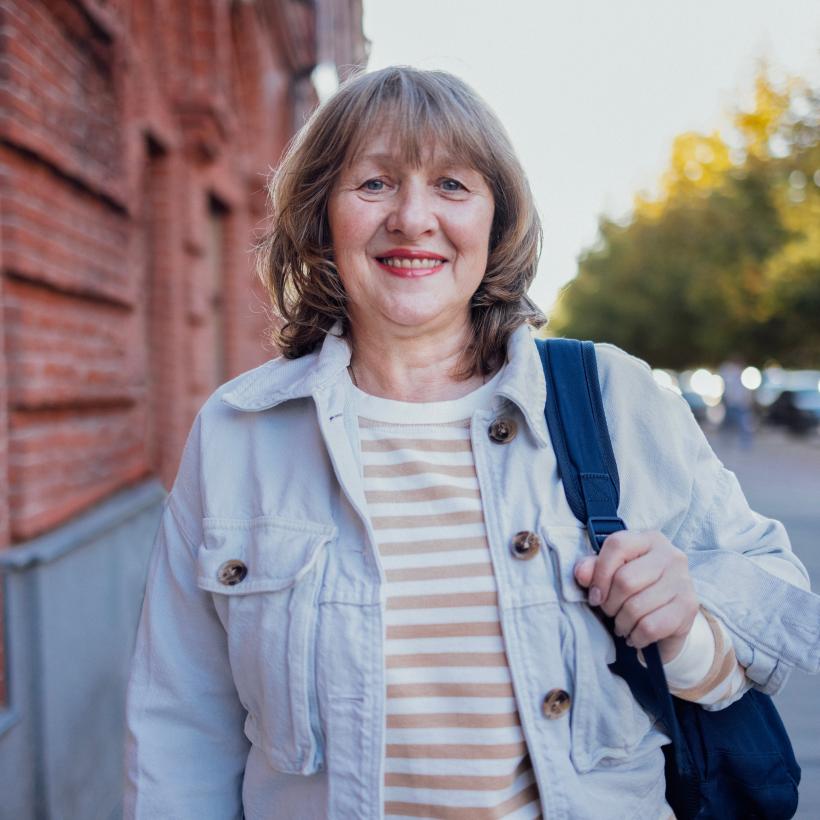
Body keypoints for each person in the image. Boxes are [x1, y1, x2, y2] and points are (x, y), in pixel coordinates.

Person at [123, 67, 815, 820]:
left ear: (497, 219)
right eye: (375, 184)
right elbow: (180, 733)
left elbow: (770, 615)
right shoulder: (239, 434)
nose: (413, 218)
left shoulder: (610, 397)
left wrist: (682, 626)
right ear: (321, 218)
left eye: (452, 185)